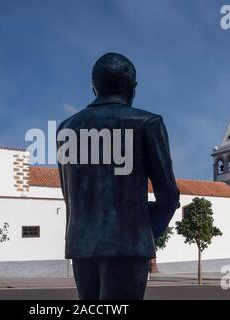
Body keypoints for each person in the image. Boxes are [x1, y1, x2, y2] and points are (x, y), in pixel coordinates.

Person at [57, 52, 180, 300]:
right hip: (129, 245)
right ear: (132, 88)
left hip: (81, 246)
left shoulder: (66, 128)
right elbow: (168, 194)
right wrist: (147, 228)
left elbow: (68, 192)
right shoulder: (148, 123)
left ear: (94, 87)